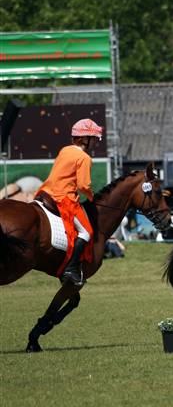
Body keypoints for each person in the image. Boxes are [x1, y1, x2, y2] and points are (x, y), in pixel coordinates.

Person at [36, 118, 102, 286]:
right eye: (93, 138)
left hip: (46, 193)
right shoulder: (84, 158)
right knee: (87, 232)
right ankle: (71, 269)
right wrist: (92, 196)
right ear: (84, 138)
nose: (95, 142)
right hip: (64, 198)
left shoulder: (65, 150)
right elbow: (83, 185)